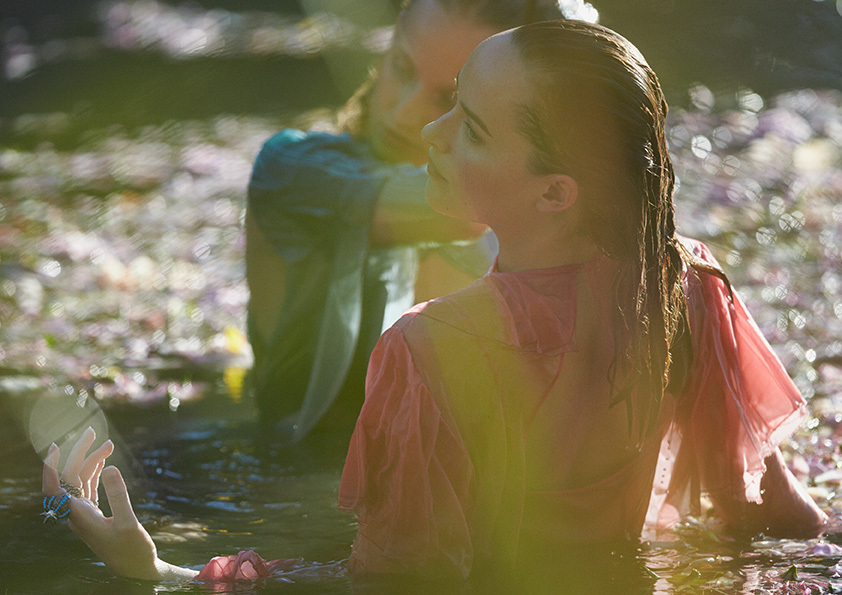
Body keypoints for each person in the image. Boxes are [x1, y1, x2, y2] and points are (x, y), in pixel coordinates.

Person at [41, 19, 827, 590]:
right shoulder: (686, 284)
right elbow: (783, 520)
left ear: (555, 192)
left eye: (472, 128)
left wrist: (168, 571)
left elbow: (395, 583)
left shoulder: (432, 346)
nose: (433, 133)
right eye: (454, 101)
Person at [246, 0, 567, 442]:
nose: (405, 115)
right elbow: (461, 213)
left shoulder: (526, 197)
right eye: (401, 66)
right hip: (292, 482)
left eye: (451, 99)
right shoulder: (290, 170)